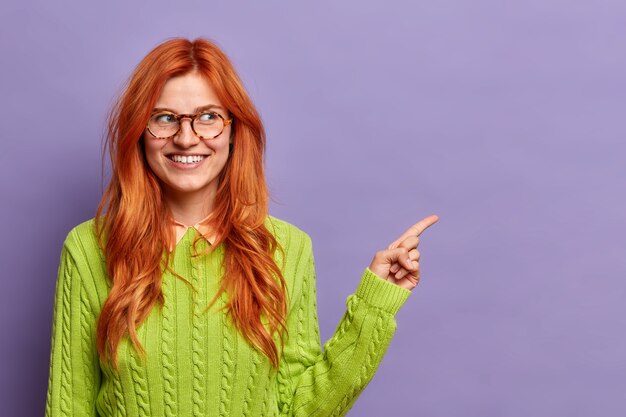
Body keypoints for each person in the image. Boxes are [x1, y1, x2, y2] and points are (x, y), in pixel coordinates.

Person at [44, 37, 439, 417]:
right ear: (139, 133)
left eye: (208, 117)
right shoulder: (90, 248)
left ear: (234, 130)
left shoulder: (287, 248)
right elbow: (69, 407)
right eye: (164, 118)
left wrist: (375, 304)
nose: (186, 138)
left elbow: (302, 408)